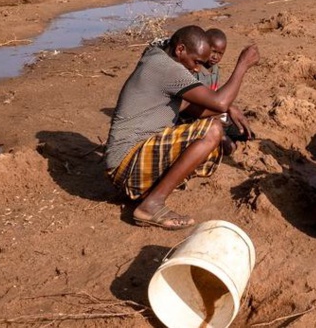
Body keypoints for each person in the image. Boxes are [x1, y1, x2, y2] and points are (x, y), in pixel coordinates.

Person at [103, 25, 259, 230]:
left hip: (130, 160)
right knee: (212, 131)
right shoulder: (166, 68)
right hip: (126, 164)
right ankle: (151, 205)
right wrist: (242, 65)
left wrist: (227, 109)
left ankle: (152, 192)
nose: (196, 69)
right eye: (196, 62)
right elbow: (219, 102)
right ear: (180, 50)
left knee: (212, 130)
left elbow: (191, 109)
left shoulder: (159, 58)